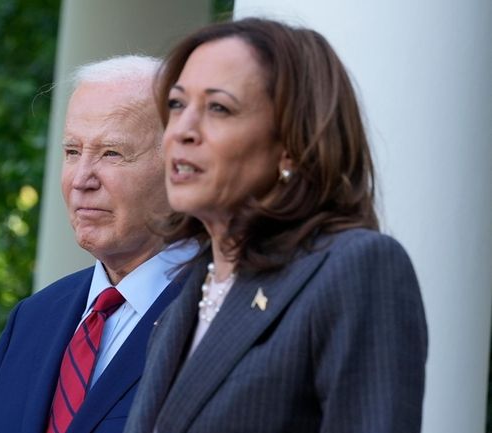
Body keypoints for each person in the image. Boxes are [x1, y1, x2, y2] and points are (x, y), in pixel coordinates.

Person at [124, 18, 428, 433]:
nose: (182, 131)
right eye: (177, 104)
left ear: (291, 145)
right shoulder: (181, 304)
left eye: (218, 108)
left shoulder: (356, 268)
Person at [0, 55, 196, 433]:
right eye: (72, 152)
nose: (81, 179)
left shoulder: (224, 315)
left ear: (181, 166)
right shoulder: (32, 319)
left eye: (111, 153)